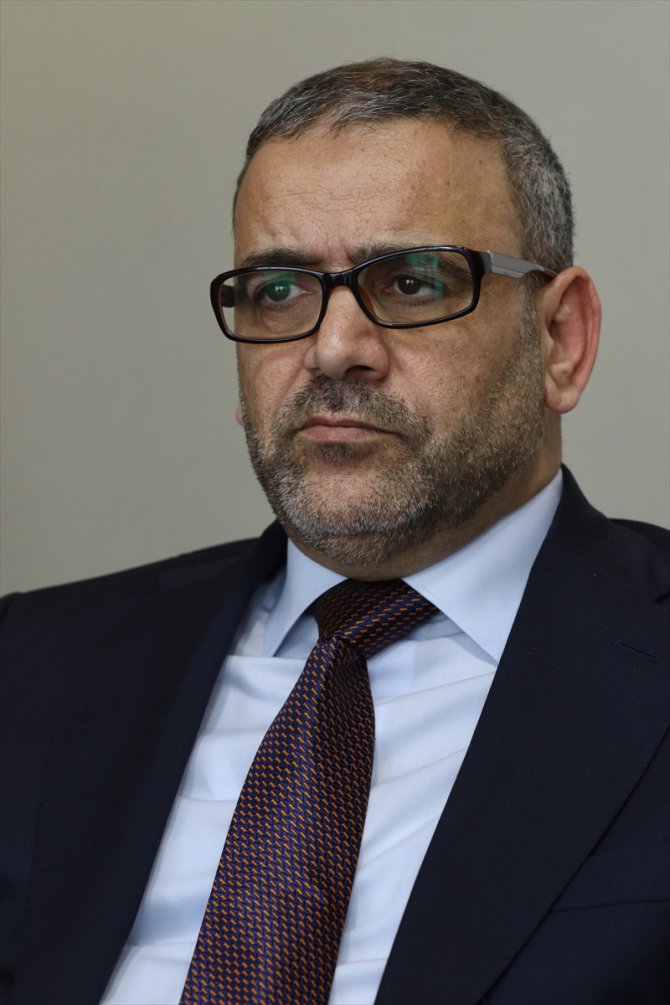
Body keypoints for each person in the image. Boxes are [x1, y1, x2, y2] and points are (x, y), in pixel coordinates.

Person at [1, 58, 668, 1005]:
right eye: (279, 290)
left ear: (560, 339)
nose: (332, 348)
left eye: (415, 280)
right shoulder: (32, 665)